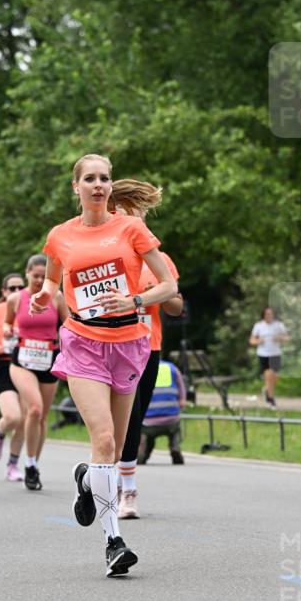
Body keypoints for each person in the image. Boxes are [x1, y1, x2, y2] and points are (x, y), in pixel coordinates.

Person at [31, 154, 177, 577]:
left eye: (105, 178)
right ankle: (113, 540)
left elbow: (168, 285)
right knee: (107, 439)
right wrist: (44, 295)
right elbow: (54, 281)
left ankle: (85, 480)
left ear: (111, 187)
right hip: (83, 344)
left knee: (107, 454)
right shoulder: (60, 236)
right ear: (75, 187)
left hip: (130, 342)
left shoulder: (131, 229)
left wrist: (134, 300)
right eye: (90, 179)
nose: (98, 185)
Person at [111, 181, 183, 518]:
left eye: (136, 212)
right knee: (113, 421)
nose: (131, 218)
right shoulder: (110, 255)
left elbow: (177, 308)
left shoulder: (159, 258)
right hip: (110, 343)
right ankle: (112, 480)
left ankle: (128, 490)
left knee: (135, 415)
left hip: (146, 346)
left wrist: (160, 292)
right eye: (124, 210)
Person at [6, 254, 68, 490]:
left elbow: (68, 323)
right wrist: (4, 331)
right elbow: (6, 323)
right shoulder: (15, 299)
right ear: (27, 273)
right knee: (35, 408)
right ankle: (27, 462)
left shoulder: (57, 296)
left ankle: (32, 464)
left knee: (42, 418)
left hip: (48, 359)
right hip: (22, 359)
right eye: (36, 276)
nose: (40, 280)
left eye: (44, 277)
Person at [0, 273, 26, 481]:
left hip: (29, 366)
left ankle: (12, 464)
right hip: (4, 365)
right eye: (12, 288)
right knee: (13, 416)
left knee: (24, 421)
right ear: (3, 292)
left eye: (21, 287)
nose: (17, 292)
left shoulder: (32, 308)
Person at [138, 359, 187, 465]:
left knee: (146, 435)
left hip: (148, 423)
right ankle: (175, 447)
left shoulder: (141, 367)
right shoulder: (172, 368)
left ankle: (142, 453)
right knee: (175, 431)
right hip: (171, 420)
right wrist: (181, 401)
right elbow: (182, 391)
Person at [249, 306, 289, 408]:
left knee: (275, 377)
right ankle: (271, 400)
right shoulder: (258, 326)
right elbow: (252, 340)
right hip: (263, 354)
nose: (269, 316)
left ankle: (266, 389)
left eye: (271, 314)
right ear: (263, 315)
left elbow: (287, 337)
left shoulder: (278, 325)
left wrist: (279, 338)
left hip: (275, 354)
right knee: (268, 376)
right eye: (267, 314)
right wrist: (259, 341)